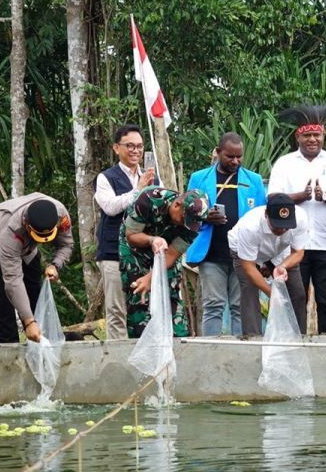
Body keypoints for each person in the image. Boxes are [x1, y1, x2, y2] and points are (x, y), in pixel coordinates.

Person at [267, 105, 326, 334]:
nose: (312, 139)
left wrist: (325, 196)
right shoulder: (284, 164)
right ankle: (294, 347)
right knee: (296, 300)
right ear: (298, 136)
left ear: (324, 135)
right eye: (307, 135)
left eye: (317, 135)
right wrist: (299, 196)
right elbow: (273, 199)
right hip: (295, 245)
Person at [185, 133, 267, 336]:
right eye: (230, 156)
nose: (236, 161)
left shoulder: (254, 180)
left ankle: (240, 352)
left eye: (239, 157)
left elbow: (262, 217)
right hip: (211, 252)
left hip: (243, 255)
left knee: (240, 307)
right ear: (218, 152)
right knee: (213, 305)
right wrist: (205, 217)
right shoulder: (199, 178)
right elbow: (186, 212)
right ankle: (211, 352)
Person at [0, 194, 74, 343]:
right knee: (2, 297)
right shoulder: (11, 230)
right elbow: (13, 280)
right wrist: (29, 322)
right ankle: (8, 351)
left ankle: (44, 341)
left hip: (27, 247)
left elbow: (66, 244)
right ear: (27, 225)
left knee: (34, 289)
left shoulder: (61, 215)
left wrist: (55, 265)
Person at [94, 124, 156, 340]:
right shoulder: (106, 178)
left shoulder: (151, 176)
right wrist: (138, 189)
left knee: (144, 308)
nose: (135, 151)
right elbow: (110, 207)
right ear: (116, 148)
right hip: (113, 252)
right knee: (116, 310)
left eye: (139, 146)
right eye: (129, 146)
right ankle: (118, 363)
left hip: (142, 252)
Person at [120, 187, 208, 338]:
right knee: (139, 295)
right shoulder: (149, 199)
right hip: (136, 249)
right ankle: (141, 343)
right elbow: (131, 235)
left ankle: (176, 344)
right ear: (176, 205)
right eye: (182, 219)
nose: (183, 224)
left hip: (166, 253)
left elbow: (172, 254)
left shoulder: (194, 223)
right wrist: (152, 240)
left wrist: (151, 277)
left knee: (171, 293)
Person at [228, 193, 309, 335]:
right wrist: (273, 294)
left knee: (298, 293)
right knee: (249, 291)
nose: (282, 230)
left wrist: (282, 266)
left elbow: (298, 253)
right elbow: (248, 267)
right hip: (245, 252)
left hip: (281, 252)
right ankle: (253, 338)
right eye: (277, 226)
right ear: (266, 214)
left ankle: (298, 337)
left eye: (286, 226)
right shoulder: (249, 227)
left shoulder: (301, 218)